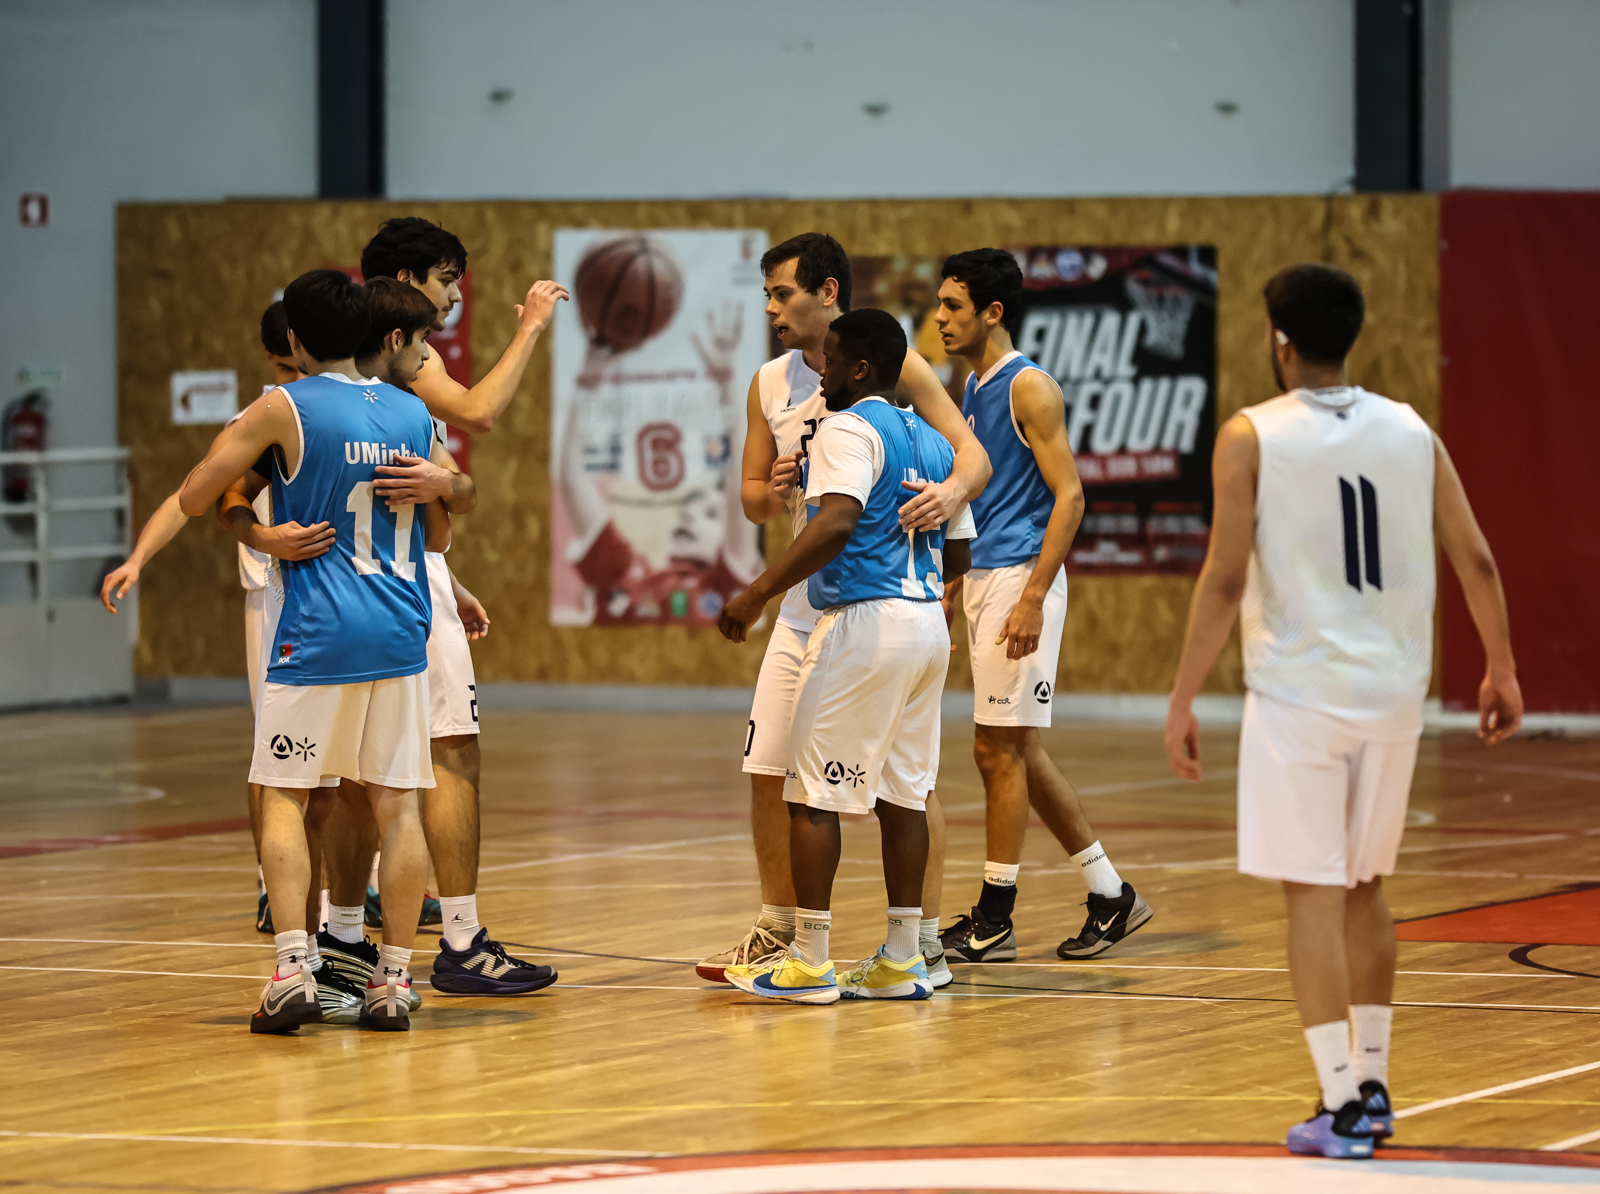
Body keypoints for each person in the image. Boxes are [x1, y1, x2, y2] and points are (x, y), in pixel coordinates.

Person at [1163, 263, 1522, 1157]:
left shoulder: (1250, 435)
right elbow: (1475, 558)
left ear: (1279, 341)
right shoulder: (1412, 430)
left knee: (1311, 896)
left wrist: (1181, 692)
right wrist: (1502, 669)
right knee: (1367, 891)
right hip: (1395, 695)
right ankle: (1374, 1086)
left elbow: (1228, 576)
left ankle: (1340, 1102)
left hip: (1300, 694)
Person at [697, 233, 992, 992]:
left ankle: (818, 956)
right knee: (845, 778)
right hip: (913, 609)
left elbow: (851, 517)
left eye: (781, 294)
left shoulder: (854, 415)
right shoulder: (834, 404)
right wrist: (793, 488)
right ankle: (891, 952)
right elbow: (763, 495)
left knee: (818, 792)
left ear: (830, 300)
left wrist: (755, 590)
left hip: (854, 607)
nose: (771, 310)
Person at [179, 269, 449, 1034]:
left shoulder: (283, 406)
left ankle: (294, 968)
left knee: (288, 797)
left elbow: (199, 494)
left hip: (318, 633)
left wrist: (256, 529)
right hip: (400, 630)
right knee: (398, 804)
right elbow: (445, 519)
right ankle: (393, 982)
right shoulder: (411, 411)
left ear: (292, 341)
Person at [931, 248, 1152, 964]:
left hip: (1024, 581)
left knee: (995, 750)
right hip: (991, 578)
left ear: (992, 312)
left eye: (953, 306)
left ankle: (995, 917)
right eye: (939, 305)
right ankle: (1110, 894)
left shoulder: (1030, 389)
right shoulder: (970, 385)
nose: (939, 317)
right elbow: (988, 499)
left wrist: (1029, 597)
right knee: (1016, 747)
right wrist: (959, 579)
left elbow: (1072, 498)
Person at [99, 302, 334, 935]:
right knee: (276, 755)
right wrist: (139, 558)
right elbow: (189, 497)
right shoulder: (259, 419)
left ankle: (349, 889)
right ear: (278, 353)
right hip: (277, 594)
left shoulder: (345, 409)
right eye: (287, 363)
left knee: (350, 761)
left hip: (341, 597)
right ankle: (271, 883)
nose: (295, 373)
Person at [359, 217, 567, 434]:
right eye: (445, 281)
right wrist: (530, 327)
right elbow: (478, 414)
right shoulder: (400, 352)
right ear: (406, 279)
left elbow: (438, 457)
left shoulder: (362, 340)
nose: (456, 296)